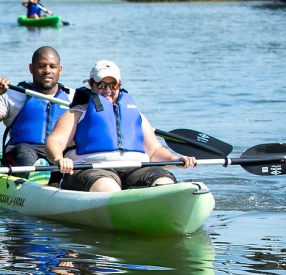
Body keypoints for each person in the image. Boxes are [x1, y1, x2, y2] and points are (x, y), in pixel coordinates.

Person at [45, 60, 197, 192]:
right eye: (102, 85)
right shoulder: (77, 113)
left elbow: (155, 151)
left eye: (114, 85)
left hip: (135, 168)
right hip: (91, 169)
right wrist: (59, 159)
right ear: (91, 84)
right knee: (108, 187)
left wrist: (176, 160)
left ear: (120, 85)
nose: (108, 91)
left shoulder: (136, 114)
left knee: (165, 182)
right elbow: (55, 141)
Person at [0, 46, 70, 166]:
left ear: (60, 69)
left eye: (52, 66)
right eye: (41, 66)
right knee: (25, 152)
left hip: (58, 156)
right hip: (23, 154)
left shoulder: (73, 98)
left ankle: (56, 177)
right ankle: (34, 176)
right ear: (31, 68)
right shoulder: (15, 95)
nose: (47, 71)